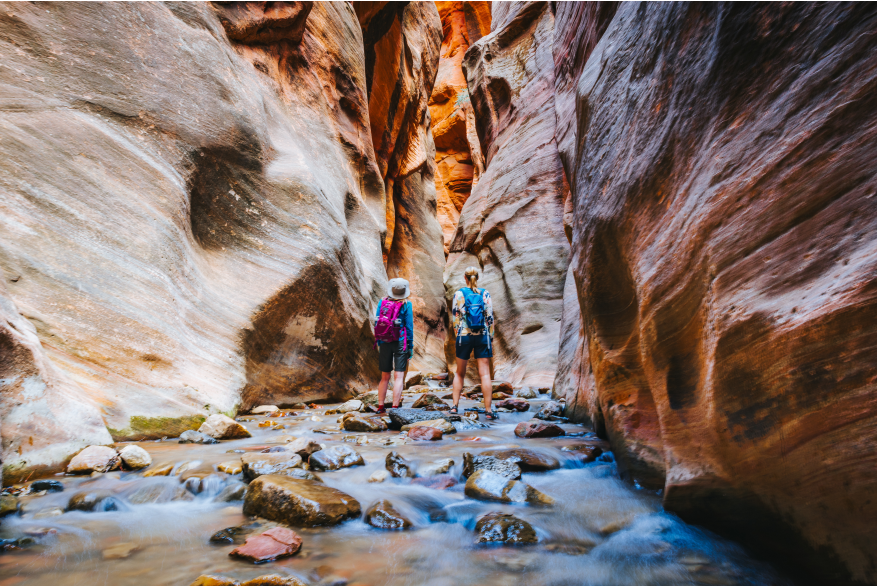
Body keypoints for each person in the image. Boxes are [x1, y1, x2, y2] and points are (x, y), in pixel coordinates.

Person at [450, 266, 496, 419]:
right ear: (478, 277)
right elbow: (490, 318)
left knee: (459, 373)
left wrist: (459, 336)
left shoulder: (459, 294)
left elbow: (455, 319)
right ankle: (488, 411)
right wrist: (490, 337)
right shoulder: (485, 293)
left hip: (464, 336)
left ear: (465, 277)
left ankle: (454, 407)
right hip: (482, 336)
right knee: (485, 374)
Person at [374, 277, 414, 414]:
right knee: (399, 376)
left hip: (384, 341)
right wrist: (410, 347)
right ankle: (395, 408)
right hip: (400, 342)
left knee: (384, 377)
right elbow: (409, 327)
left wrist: (380, 342)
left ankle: (380, 406)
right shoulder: (407, 304)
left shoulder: (382, 302)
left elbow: (377, 322)